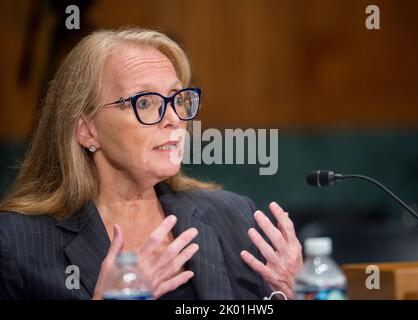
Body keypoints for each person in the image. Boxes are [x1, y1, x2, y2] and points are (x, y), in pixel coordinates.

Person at [0, 28, 302, 300]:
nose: (173, 119)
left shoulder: (234, 217)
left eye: (177, 99)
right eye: (144, 102)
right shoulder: (17, 245)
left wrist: (296, 295)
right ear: (86, 128)